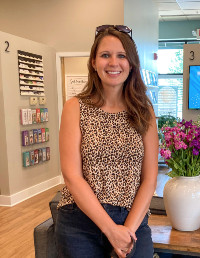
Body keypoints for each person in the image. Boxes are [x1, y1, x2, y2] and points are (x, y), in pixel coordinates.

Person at [55, 25, 158, 258]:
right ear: (93, 62)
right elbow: (72, 175)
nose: (114, 63)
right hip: (80, 221)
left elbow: (149, 178)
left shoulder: (145, 111)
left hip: (133, 219)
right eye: (105, 55)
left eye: (121, 55)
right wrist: (110, 229)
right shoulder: (75, 108)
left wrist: (126, 231)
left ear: (131, 63)